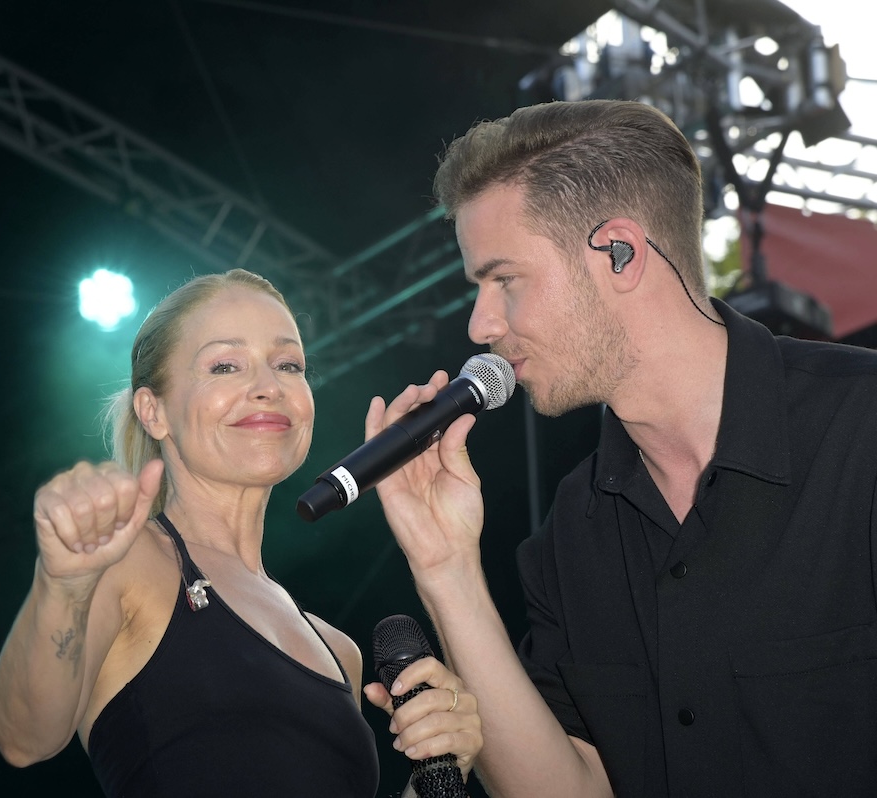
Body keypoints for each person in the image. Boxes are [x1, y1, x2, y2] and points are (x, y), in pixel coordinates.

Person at [362, 98, 877, 797]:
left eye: (504, 280)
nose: (482, 325)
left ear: (621, 253)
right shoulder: (570, 535)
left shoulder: (862, 428)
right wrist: (444, 565)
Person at [0, 268, 483, 797]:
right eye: (225, 365)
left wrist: (439, 771)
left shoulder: (340, 652)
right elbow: (24, 739)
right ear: (153, 412)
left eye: (288, 365)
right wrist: (61, 586)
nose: (269, 387)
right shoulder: (133, 562)